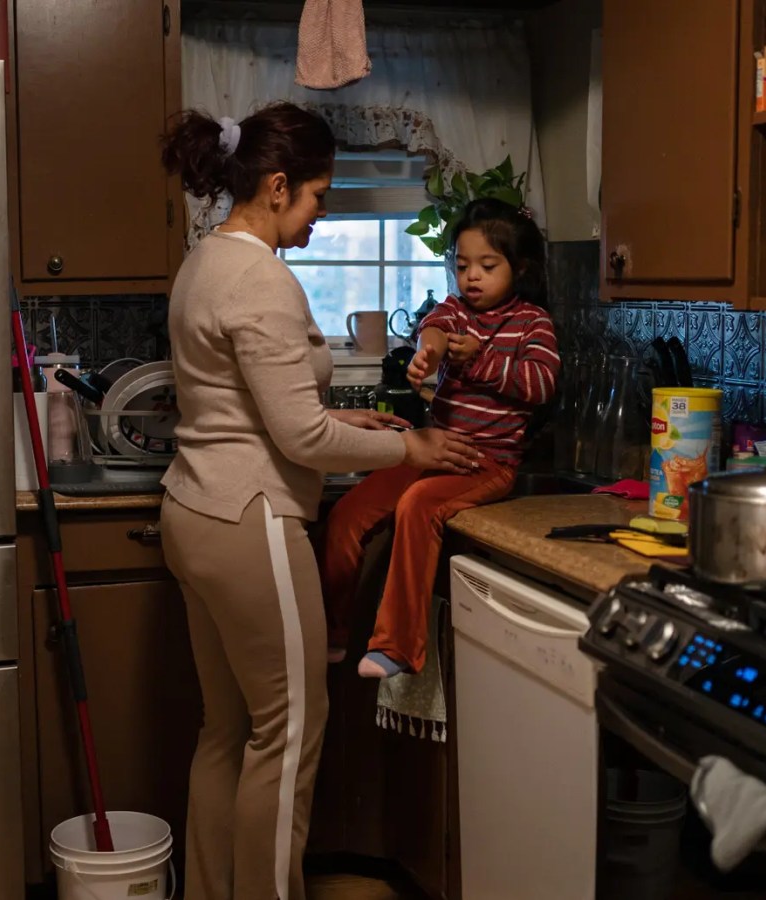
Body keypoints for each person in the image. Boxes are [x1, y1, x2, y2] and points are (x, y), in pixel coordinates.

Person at [157, 102, 481, 900]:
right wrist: (410, 445)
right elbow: (298, 441)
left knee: (227, 733)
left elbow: (246, 408)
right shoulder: (260, 279)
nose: (320, 213)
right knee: (291, 732)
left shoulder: (203, 262)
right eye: (317, 196)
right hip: (249, 521)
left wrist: (342, 420)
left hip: (194, 511)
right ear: (275, 187)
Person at [320, 198, 561, 678]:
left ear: (521, 268)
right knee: (347, 514)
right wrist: (426, 357)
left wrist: (479, 359)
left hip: (486, 464)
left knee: (419, 506)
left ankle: (398, 646)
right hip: (436, 449)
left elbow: (539, 386)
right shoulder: (456, 311)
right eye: (462, 264)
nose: (471, 276)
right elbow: (434, 329)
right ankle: (332, 630)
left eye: (487, 266)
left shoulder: (533, 323)